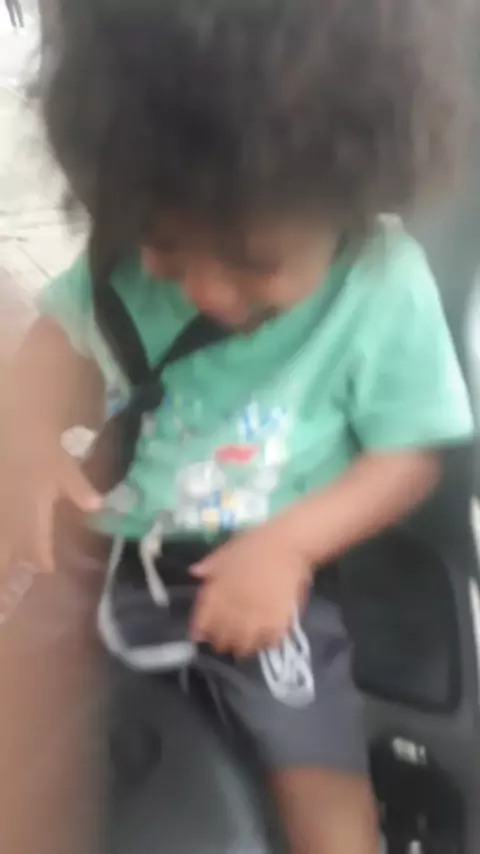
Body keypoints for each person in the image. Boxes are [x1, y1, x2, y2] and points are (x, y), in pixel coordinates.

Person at [4, 0, 475, 851]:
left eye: (255, 263)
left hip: (262, 569)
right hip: (103, 553)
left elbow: (408, 457)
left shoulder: (379, 287)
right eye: (169, 249)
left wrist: (290, 547)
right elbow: (53, 349)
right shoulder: (128, 253)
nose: (208, 290)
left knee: (322, 788)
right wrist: (30, 445)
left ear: (346, 205)